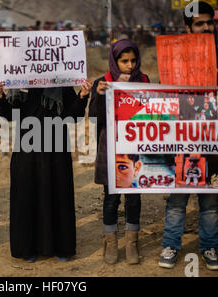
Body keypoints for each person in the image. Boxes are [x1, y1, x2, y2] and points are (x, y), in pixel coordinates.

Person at [0, 78, 92, 263]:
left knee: (58, 195)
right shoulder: (18, 82)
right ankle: (28, 248)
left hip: (57, 152)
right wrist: (0, 98)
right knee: (27, 196)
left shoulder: (62, 83)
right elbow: (10, 115)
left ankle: (61, 247)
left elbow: (73, 116)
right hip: (27, 152)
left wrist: (82, 96)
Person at [159, 1, 218, 271]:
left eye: (210, 22)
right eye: (200, 23)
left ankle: (209, 246)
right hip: (181, 141)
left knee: (210, 201)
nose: (207, 27)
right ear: (187, 28)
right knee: (177, 201)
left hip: (214, 140)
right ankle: (171, 245)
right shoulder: (171, 61)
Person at [89, 39, 149, 265]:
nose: (130, 65)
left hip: (135, 149)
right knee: (111, 198)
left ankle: (132, 242)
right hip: (111, 150)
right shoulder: (103, 82)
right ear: (115, 61)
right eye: (124, 61)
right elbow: (95, 117)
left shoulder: (144, 81)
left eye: (133, 60)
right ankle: (111, 242)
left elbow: (151, 111)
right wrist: (101, 94)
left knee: (134, 197)